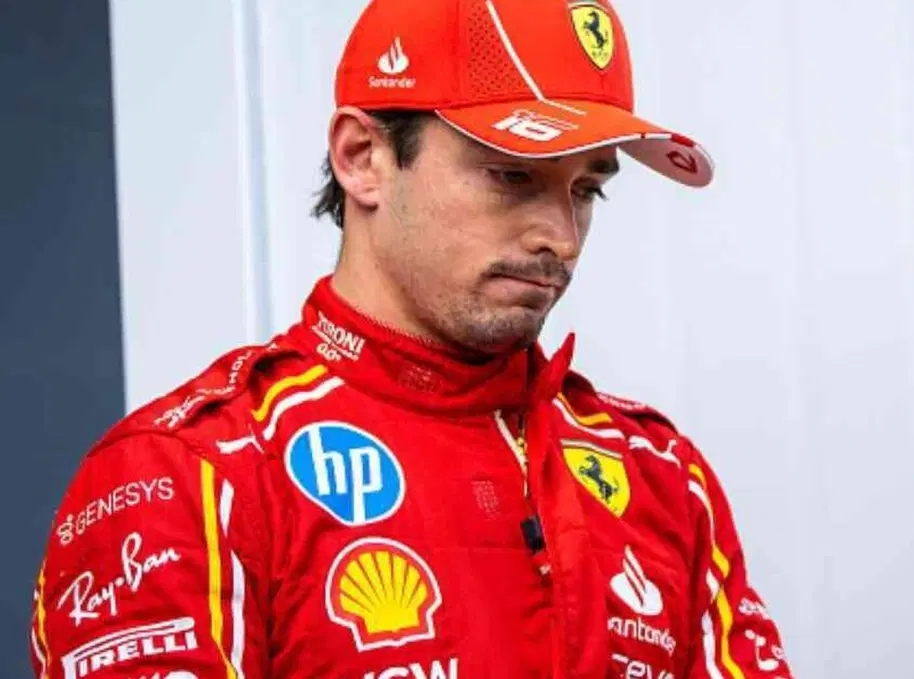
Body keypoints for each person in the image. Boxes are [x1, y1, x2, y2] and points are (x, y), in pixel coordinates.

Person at [29, 0, 793, 677]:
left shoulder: (662, 475)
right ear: (362, 158)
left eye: (586, 189)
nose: (561, 238)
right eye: (512, 175)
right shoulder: (193, 473)